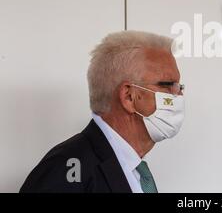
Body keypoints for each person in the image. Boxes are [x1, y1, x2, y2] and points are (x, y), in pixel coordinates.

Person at [20, 31, 185, 193]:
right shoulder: (65, 169)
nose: (179, 95)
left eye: (179, 87)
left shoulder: (135, 171)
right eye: (169, 85)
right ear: (128, 96)